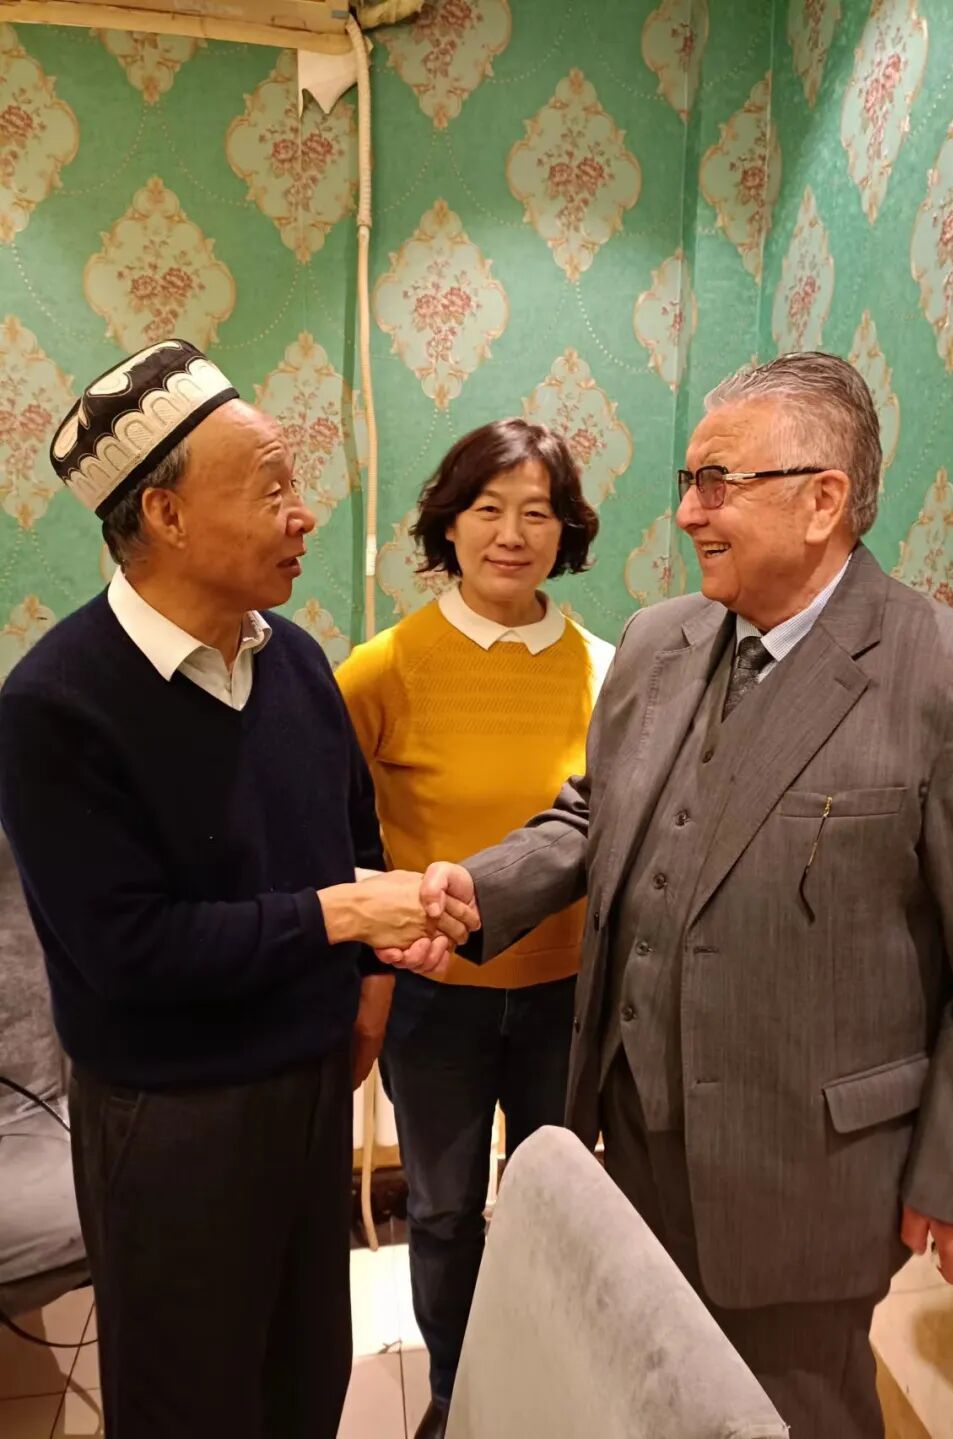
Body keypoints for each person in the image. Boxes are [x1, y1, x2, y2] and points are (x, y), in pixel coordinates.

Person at [393, 352, 953, 1438]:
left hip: (804, 1177)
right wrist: (477, 889)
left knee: (791, 1413)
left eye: (717, 482)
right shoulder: (658, 640)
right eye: (689, 480)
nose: (687, 512)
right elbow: (594, 815)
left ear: (823, 499)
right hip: (633, 1146)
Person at [0, 339, 476, 1439]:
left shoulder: (295, 660)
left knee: (305, 1378)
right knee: (190, 1403)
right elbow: (130, 952)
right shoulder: (56, 706)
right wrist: (343, 916)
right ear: (164, 514)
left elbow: (350, 836)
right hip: (171, 1118)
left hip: (309, 1087)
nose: (303, 515)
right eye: (270, 489)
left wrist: (373, 978)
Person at [336, 417, 612, 1439]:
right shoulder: (383, 667)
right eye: (488, 509)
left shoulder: (607, 667)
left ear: (566, 531)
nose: (512, 534)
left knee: (558, 1214)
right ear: (448, 525)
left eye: (538, 512)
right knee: (445, 1210)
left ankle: (542, 1393)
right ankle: (458, 1395)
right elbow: (331, 824)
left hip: (567, 996)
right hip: (432, 1000)